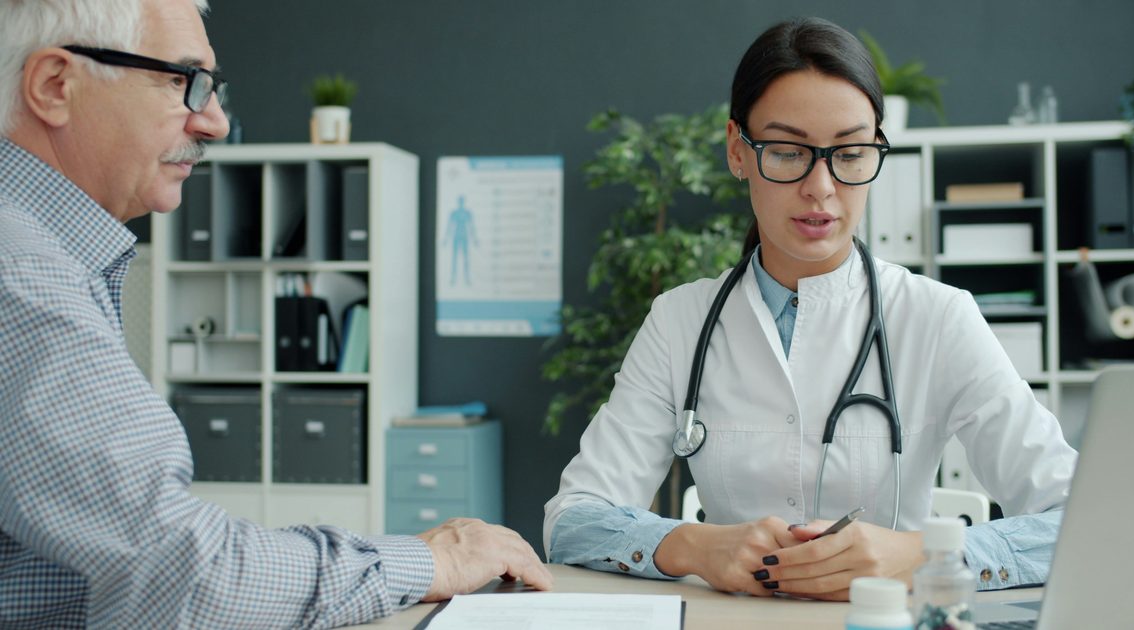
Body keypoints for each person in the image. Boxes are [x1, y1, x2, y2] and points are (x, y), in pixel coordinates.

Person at [0, 0, 550, 627]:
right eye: (183, 81)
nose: (214, 122)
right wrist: (431, 562)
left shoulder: (45, 259)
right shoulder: (24, 277)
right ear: (55, 86)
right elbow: (189, 576)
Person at [544, 17, 1076, 601]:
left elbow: (1079, 517)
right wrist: (694, 545)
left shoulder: (939, 317)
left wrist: (921, 554)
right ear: (737, 151)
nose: (821, 186)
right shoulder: (679, 322)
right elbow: (573, 519)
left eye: (849, 153)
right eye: (788, 150)